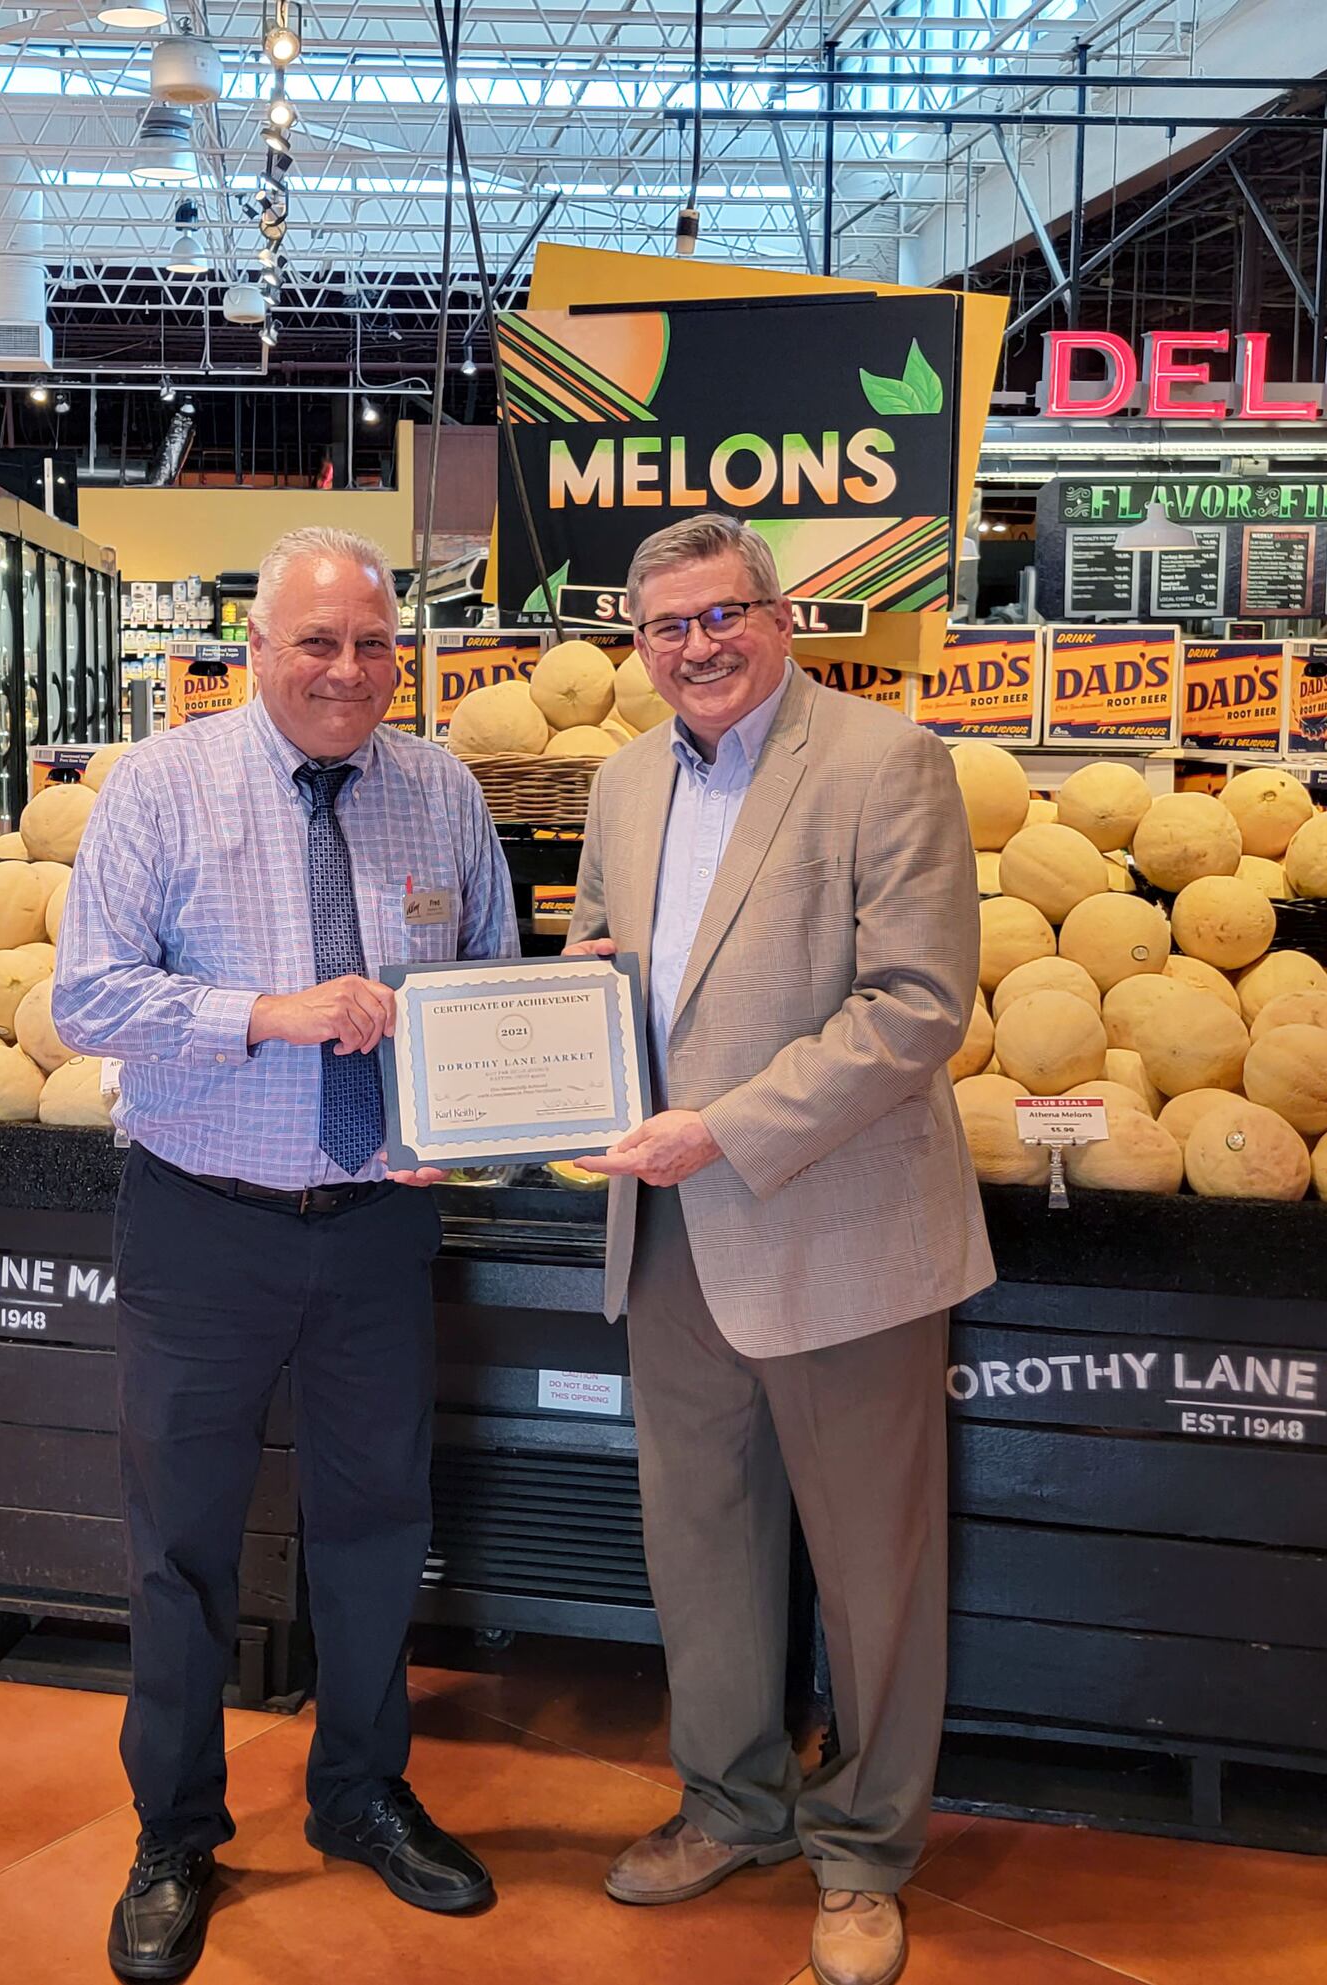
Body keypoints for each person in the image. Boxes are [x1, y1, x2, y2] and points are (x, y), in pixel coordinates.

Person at [52, 525, 518, 1982]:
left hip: (378, 1220)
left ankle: (361, 1791)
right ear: (255, 649)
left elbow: (497, 984)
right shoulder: (162, 787)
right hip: (203, 1220)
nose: (349, 669)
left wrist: (485, 1106)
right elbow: (87, 999)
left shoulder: (443, 792)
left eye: (375, 644)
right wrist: (270, 1011)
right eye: (317, 642)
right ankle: (175, 1830)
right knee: (181, 1543)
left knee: (379, 1524)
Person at [565, 514, 993, 1985]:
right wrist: (563, 1031)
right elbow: (608, 955)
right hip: (672, 1228)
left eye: (723, 612)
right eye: (668, 625)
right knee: (700, 1543)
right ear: (640, 645)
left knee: (873, 1568)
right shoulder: (622, 781)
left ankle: (866, 1854)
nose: (698, 644)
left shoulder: (885, 763)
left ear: (782, 614)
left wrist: (724, 1126)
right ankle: (732, 1804)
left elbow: (916, 1006)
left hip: (838, 1225)